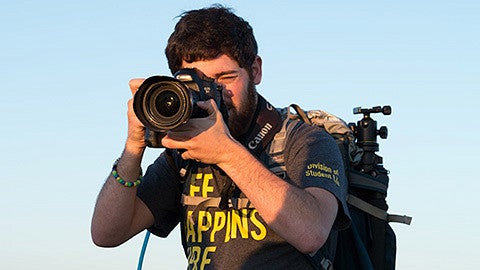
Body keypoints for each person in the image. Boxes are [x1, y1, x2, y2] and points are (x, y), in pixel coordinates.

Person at [91, 5, 350, 269]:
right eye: (196, 82)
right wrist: (133, 148)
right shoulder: (184, 155)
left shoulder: (306, 140)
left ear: (255, 71)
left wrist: (227, 154)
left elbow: (312, 233)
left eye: (225, 77)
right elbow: (106, 234)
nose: (214, 91)